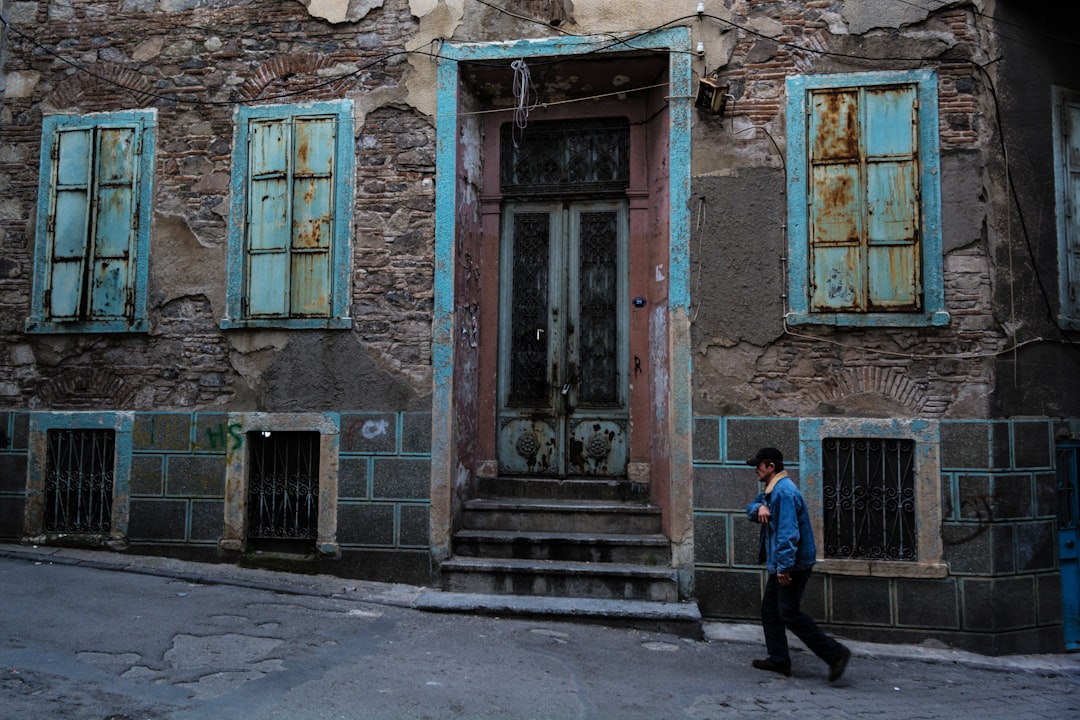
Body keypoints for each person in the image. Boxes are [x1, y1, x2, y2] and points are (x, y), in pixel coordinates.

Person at [745, 447, 851, 682]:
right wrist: (759, 507)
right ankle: (779, 660)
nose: (756, 470)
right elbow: (750, 508)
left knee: (789, 613)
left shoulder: (784, 493)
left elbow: (788, 534)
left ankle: (836, 654)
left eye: (759, 465)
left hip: (792, 565)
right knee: (770, 611)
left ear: (771, 466)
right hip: (782, 563)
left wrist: (784, 568)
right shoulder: (771, 490)